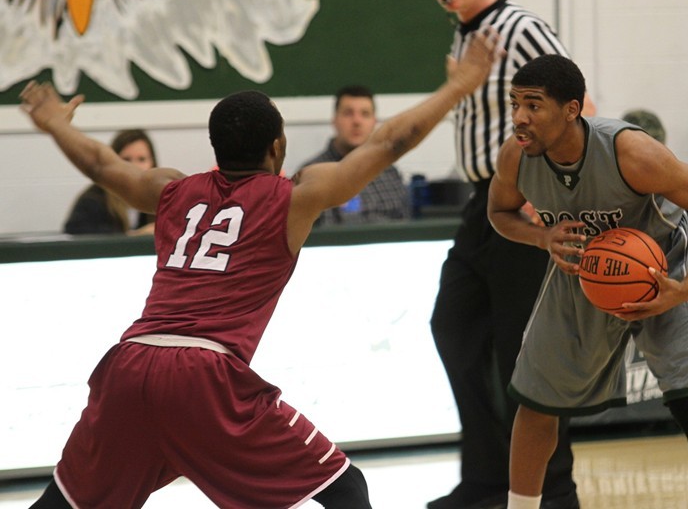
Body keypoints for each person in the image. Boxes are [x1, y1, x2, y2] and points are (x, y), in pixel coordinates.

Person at [20, 28, 501, 509]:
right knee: (346, 489)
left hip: (129, 363)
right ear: (276, 147)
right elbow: (389, 142)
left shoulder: (172, 191)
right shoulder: (292, 198)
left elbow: (103, 166)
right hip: (204, 373)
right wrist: (459, 87)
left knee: (65, 503)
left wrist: (55, 124)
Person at [488, 54, 688, 509]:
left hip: (662, 270)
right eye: (514, 104)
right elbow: (499, 213)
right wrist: (542, 236)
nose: (519, 118)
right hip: (583, 272)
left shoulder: (632, 153)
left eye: (533, 105)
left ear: (571, 110)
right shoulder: (516, 157)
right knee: (535, 401)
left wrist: (686, 287)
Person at [421, 0, 595, 509]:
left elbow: (582, 107)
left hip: (526, 203)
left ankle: (554, 489)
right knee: (452, 327)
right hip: (482, 205)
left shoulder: (520, 30)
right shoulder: (462, 38)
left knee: (531, 354)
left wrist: (552, 193)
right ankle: (488, 479)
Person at [299, 85, 411, 226]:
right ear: (335, 120)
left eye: (365, 114)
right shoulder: (310, 174)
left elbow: (405, 227)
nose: (357, 121)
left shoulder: (389, 173)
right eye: (348, 113)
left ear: (374, 122)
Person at [63, 128, 157, 235]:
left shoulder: (160, 199)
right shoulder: (92, 200)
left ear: (153, 163)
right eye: (126, 159)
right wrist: (136, 236)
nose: (135, 167)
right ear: (112, 164)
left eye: (142, 159)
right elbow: (78, 241)